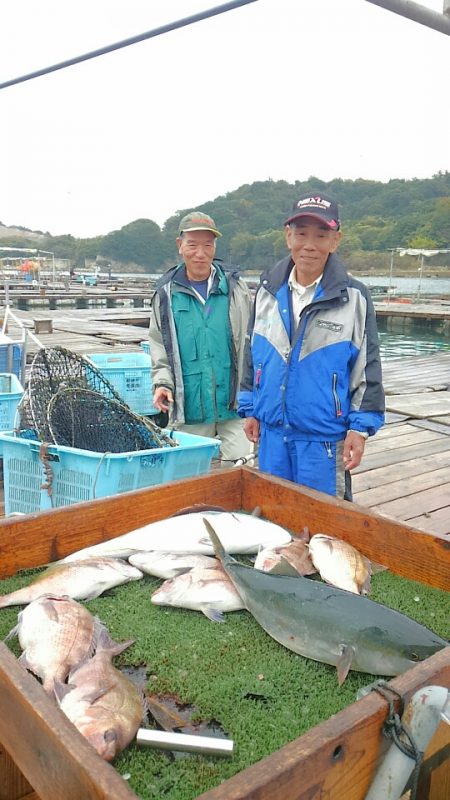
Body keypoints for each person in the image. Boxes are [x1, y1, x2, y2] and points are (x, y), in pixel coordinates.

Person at [238, 193, 385, 499]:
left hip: (324, 442)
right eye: (301, 233)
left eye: (321, 235)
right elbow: (251, 355)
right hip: (272, 435)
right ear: (287, 236)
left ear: (336, 240)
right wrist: (250, 408)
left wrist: (360, 428)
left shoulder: (354, 296)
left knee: (325, 525)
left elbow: (367, 368)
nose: (310, 244)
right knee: (272, 519)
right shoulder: (266, 291)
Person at [149, 210, 252, 465]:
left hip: (234, 403)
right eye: (192, 245)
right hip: (191, 405)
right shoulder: (165, 295)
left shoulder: (236, 289)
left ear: (215, 247)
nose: (200, 253)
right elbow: (159, 347)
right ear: (180, 245)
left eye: (208, 245)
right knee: (188, 473)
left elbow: (253, 340)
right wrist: (162, 384)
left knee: (242, 470)